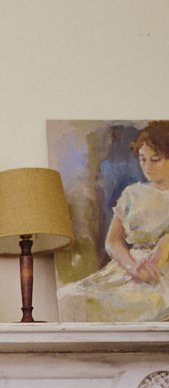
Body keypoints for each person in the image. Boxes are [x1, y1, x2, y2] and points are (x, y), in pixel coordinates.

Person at [57, 121, 169, 322]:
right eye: (142, 159)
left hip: (161, 271)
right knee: (71, 297)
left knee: (141, 306)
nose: (147, 166)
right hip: (128, 265)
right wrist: (132, 266)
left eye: (155, 159)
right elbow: (113, 241)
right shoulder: (133, 193)